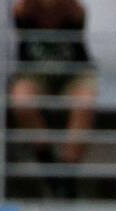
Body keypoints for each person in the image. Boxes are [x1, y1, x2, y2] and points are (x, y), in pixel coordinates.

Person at [10, 0, 97, 198]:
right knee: (21, 99)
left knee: (86, 100)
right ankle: (48, 164)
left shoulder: (73, 10)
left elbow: (77, 12)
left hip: (74, 73)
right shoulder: (24, 10)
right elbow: (20, 12)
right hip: (34, 74)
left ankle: (67, 174)